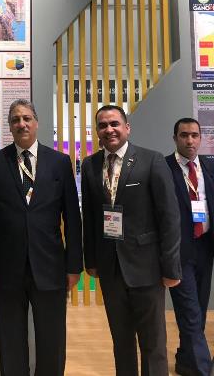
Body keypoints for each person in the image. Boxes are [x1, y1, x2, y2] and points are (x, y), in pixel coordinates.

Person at [0, 99, 83, 376]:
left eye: (26, 118)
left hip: (50, 267)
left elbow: (72, 217)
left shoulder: (59, 162)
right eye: (15, 120)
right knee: (10, 338)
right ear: (10, 127)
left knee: (52, 338)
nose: (21, 124)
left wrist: (73, 266)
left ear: (36, 122)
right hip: (6, 268)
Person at [81, 104, 182, 376]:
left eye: (114, 123)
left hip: (146, 267)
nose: (109, 129)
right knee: (121, 342)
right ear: (97, 132)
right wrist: (91, 261)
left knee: (153, 344)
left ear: (127, 127)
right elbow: (89, 217)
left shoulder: (151, 160)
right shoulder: (90, 165)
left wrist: (171, 267)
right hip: (111, 268)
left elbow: (169, 217)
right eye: (103, 125)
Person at [166, 118, 214, 376]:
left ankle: (186, 361)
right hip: (179, 251)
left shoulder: (209, 166)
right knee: (190, 312)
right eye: (184, 135)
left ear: (200, 138)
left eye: (194, 135)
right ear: (175, 138)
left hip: (205, 247)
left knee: (199, 310)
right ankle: (202, 369)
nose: (190, 140)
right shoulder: (163, 167)